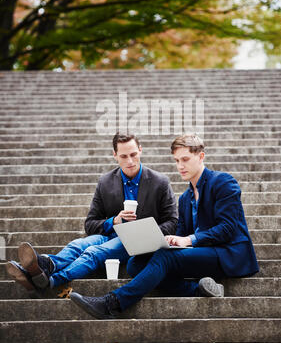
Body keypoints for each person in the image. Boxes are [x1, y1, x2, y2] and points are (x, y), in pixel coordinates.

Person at [70, 134, 259, 319]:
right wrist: (165, 240)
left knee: (165, 258)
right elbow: (181, 233)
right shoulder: (185, 198)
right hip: (202, 254)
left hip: (228, 254)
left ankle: (112, 303)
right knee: (137, 263)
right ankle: (197, 291)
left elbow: (227, 229)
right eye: (177, 160)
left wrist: (188, 240)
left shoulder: (223, 182)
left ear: (201, 156)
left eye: (185, 159)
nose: (180, 166)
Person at [6, 133, 178, 294]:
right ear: (115, 155)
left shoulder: (160, 182)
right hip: (111, 234)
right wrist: (114, 221)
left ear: (140, 149)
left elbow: (172, 221)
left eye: (133, 154)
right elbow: (90, 224)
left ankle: (50, 280)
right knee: (77, 245)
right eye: (124, 156)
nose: (130, 161)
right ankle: (45, 265)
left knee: (94, 252)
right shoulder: (105, 182)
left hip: (140, 241)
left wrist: (146, 232)